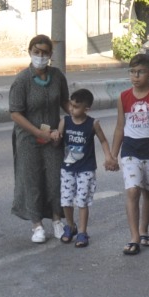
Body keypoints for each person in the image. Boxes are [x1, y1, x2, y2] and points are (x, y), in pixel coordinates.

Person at [107, 52, 149, 255]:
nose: (136, 76)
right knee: (133, 190)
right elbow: (120, 127)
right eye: (133, 72)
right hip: (131, 151)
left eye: (141, 72)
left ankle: (144, 229)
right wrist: (112, 154)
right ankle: (134, 236)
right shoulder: (123, 97)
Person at [8, 34, 69, 242]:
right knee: (32, 180)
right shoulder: (22, 80)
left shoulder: (57, 77)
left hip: (53, 137)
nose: (40, 56)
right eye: (37, 52)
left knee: (55, 179)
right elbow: (15, 113)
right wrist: (37, 132)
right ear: (30, 52)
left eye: (44, 53)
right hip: (28, 139)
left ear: (50, 54)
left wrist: (78, 115)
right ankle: (36, 226)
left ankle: (57, 220)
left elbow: (65, 103)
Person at [57, 87, 115, 248]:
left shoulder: (92, 123)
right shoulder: (65, 121)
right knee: (66, 199)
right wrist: (55, 136)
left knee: (82, 201)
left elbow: (103, 140)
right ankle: (70, 226)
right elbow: (58, 141)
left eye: (76, 107)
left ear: (86, 109)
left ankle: (82, 231)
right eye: (70, 105)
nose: (71, 109)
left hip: (86, 169)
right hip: (67, 168)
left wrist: (108, 156)